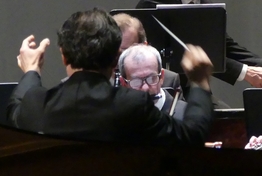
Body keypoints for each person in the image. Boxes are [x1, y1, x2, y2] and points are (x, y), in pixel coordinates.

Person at [7, 9, 213, 145]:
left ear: (62, 55)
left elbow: (15, 106)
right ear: (117, 59)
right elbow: (191, 135)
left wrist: (32, 69)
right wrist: (200, 83)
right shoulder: (131, 105)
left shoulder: (37, 104)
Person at [112, 13, 180, 90]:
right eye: (113, 52)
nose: (118, 60)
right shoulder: (99, 82)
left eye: (126, 52)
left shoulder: (169, 81)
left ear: (144, 46)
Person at [118, 44, 187, 120]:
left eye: (151, 78)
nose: (145, 88)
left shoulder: (186, 116)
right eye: (136, 81)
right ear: (124, 83)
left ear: (161, 77)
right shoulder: (116, 117)